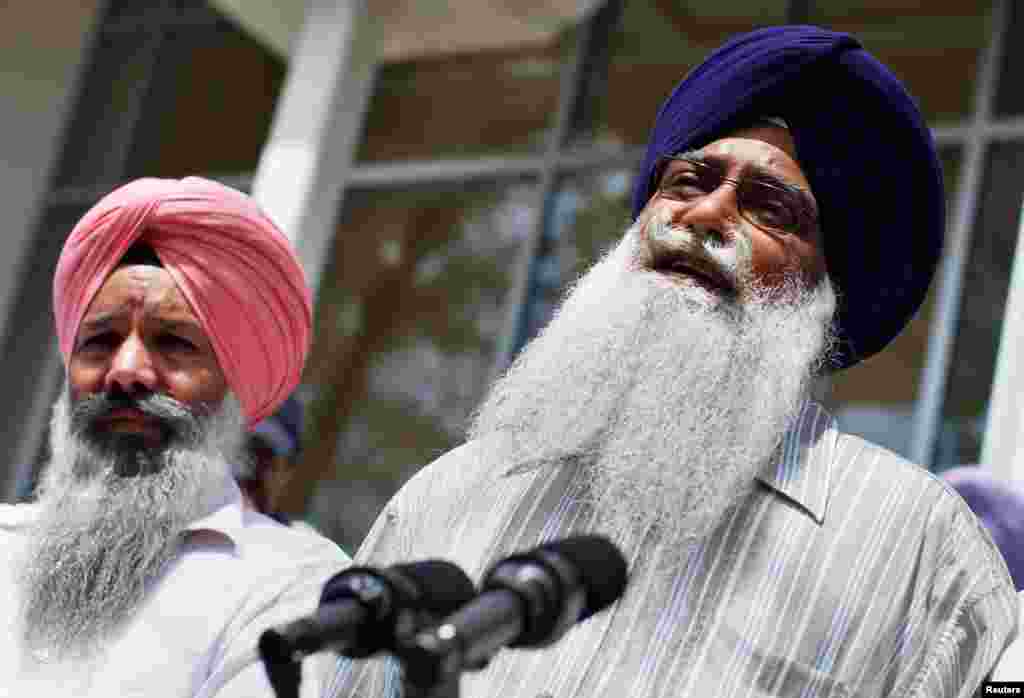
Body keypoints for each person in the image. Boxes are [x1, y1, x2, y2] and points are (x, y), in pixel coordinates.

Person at [322, 26, 1017, 698]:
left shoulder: (917, 551)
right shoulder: (456, 496)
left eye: (768, 207)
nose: (706, 214)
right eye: (688, 181)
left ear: (824, 291)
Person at [0, 177, 350, 696]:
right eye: (99, 341)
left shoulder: (294, 583)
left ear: (235, 382)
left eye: (174, 343)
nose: (127, 371)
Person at [239, 395, 304, 522]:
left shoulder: (295, 540)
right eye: (243, 449)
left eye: (265, 455)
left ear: (287, 473)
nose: (248, 467)